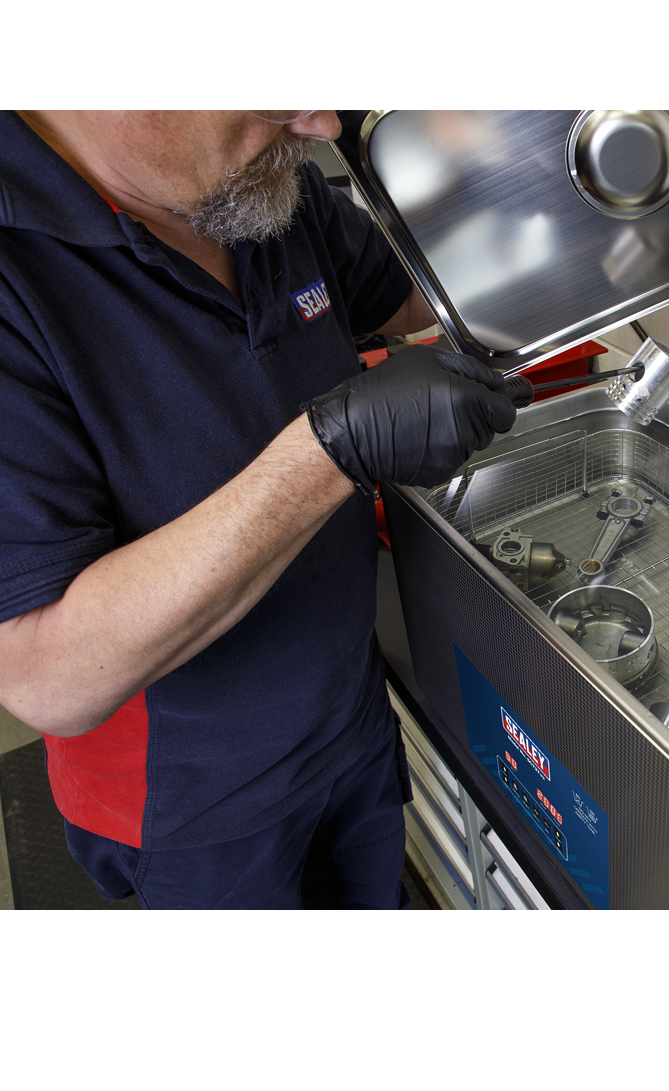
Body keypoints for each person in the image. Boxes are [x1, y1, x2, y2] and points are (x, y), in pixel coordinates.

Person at [0, 110, 516, 909]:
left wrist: (548, 195)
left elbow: (416, 293)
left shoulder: (263, 188)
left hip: (349, 724)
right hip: (195, 809)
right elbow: (46, 677)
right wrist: (330, 450)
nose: (319, 123)